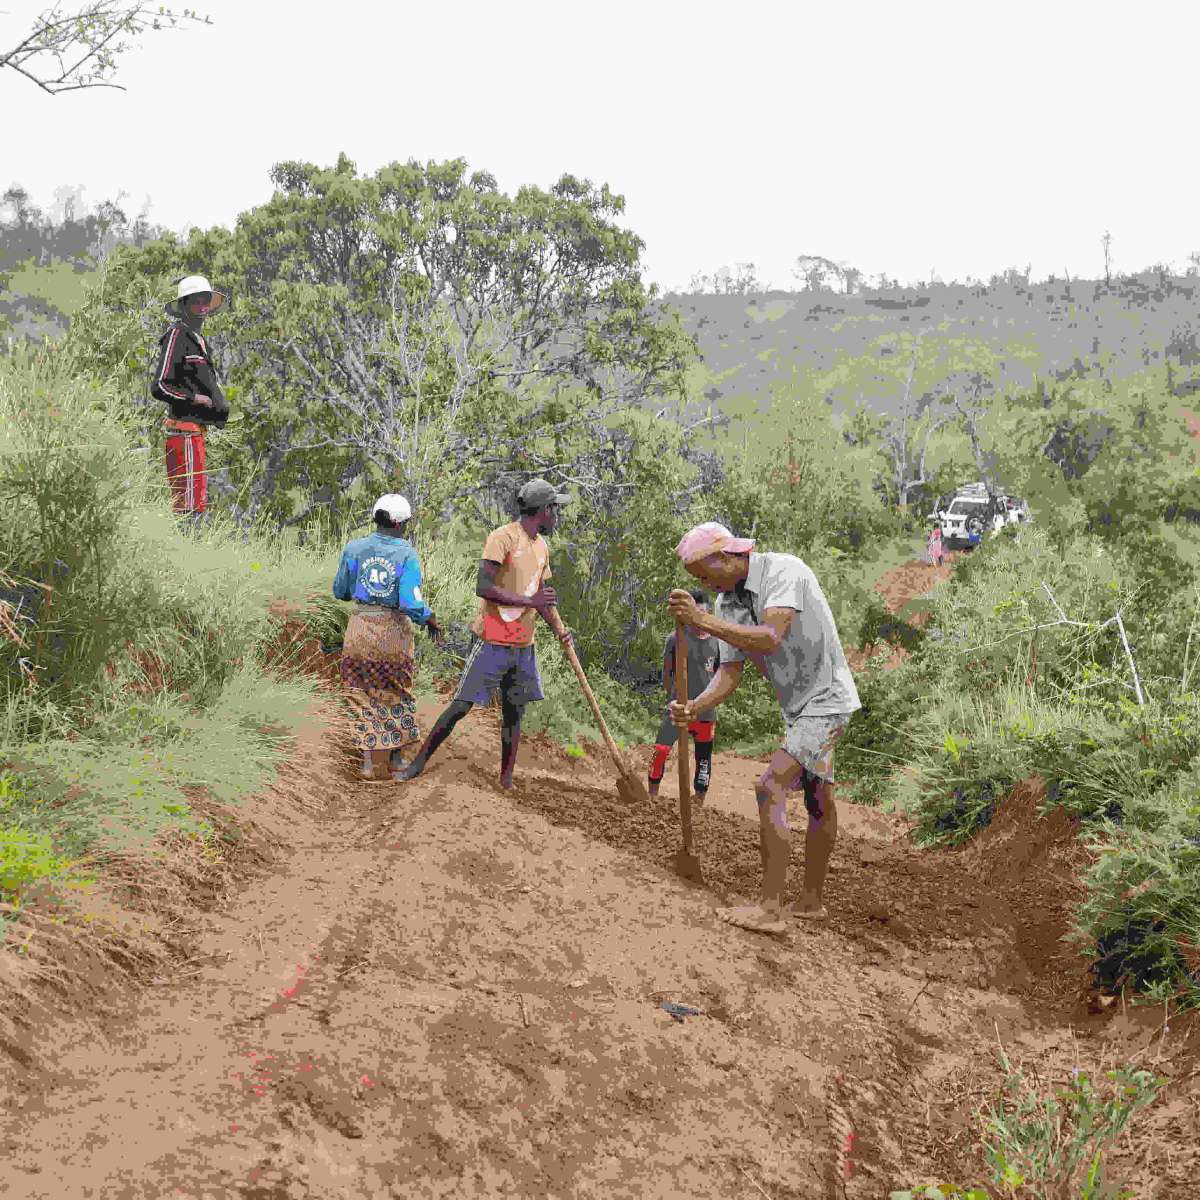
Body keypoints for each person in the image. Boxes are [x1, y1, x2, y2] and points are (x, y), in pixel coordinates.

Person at [667, 522, 861, 935]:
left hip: (827, 700)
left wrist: (701, 618)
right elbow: (730, 672)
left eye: (704, 575)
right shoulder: (728, 605)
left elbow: (770, 636)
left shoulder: (783, 571)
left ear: (726, 556)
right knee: (818, 796)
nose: (705, 584)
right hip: (801, 708)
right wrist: (695, 706)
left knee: (769, 787)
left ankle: (770, 909)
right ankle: (810, 902)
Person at [397, 478, 574, 790]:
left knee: (514, 712)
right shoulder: (502, 538)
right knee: (461, 705)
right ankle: (418, 764)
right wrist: (529, 602)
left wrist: (560, 630)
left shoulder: (541, 547)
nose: (556, 515)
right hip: (493, 640)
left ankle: (506, 779)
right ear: (543, 510)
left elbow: (541, 595)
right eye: (554, 509)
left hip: (523, 645)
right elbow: (484, 587)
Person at [332, 494, 442, 783]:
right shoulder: (406, 554)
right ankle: (395, 760)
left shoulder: (354, 548)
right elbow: (410, 602)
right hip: (393, 633)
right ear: (400, 523)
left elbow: (340, 590)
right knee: (396, 691)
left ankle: (367, 764)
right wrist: (429, 618)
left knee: (359, 691)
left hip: (359, 631)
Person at [149, 275, 231, 527]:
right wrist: (196, 399)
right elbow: (160, 385)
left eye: (206, 300)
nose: (203, 307)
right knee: (188, 507)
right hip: (183, 433)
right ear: (184, 305)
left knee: (195, 503)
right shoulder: (177, 336)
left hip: (194, 434)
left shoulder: (197, 340)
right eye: (197, 301)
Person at [647, 589, 721, 804]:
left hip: (705, 711)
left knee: (704, 758)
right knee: (660, 750)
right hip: (676, 707)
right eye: (694, 614)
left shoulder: (717, 642)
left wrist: (708, 700)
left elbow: (720, 676)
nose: (698, 620)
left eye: (702, 614)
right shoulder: (676, 638)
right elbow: (667, 672)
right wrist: (672, 697)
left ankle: (699, 800)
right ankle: (652, 796)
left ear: (708, 614)